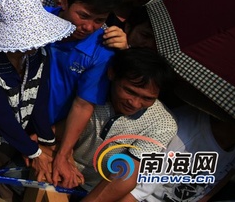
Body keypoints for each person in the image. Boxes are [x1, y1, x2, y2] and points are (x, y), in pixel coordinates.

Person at [0, 0, 76, 201]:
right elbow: (1, 116)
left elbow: (40, 98)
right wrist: (35, 152)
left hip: (21, 127)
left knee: (8, 178)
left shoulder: (39, 55)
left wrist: (46, 139)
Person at [46, 0, 123, 189]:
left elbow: (83, 105)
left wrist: (62, 153)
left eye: (99, 20)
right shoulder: (38, 20)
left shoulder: (103, 51)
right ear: (65, 2)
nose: (89, 27)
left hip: (54, 131)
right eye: (84, 15)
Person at [71, 48, 177, 201]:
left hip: (93, 190)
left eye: (147, 98)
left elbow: (126, 174)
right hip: (59, 167)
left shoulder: (163, 124)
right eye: (129, 91)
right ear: (112, 74)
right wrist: (63, 156)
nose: (134, 103)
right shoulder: (93, 88)